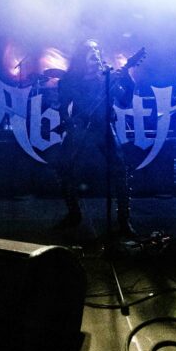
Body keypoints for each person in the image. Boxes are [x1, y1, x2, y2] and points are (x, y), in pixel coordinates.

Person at [55, 39, 136, 235]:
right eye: (90, 50)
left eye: (97, 50)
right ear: (81, 56)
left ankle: (124, 220)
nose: (95, 53)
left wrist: (127, 78)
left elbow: (125, 102)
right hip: (80, 127)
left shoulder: (108, 78)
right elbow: (63, 108)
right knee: (64, 167)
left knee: (120, 170)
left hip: (104, 127)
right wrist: (69, 122)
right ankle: (74, 214)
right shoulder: (70, 80)